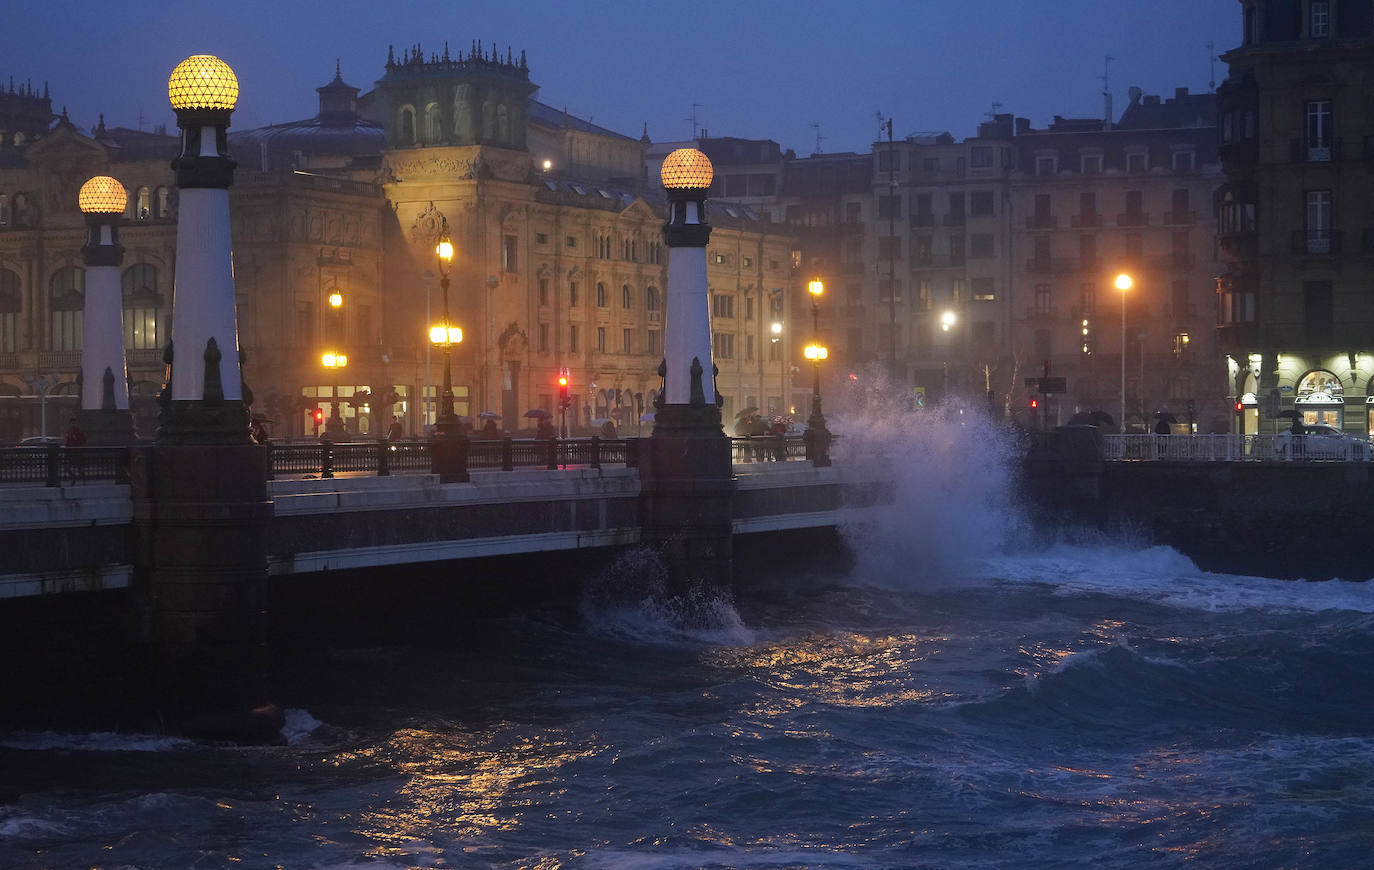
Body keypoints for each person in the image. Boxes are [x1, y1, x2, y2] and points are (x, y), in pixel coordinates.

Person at [64, 416, 86, 484]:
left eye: (74, 423)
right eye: (72, 423)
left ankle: (83, 480)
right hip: (71, 452)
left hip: (77, 452)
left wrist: (76, 439)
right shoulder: (69, 431)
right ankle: (74, 478)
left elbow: (83, 441)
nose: (73, 424)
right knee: (67, 467)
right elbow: (68, 442)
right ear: (70, 423)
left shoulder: (78, 430)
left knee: (79, 468)